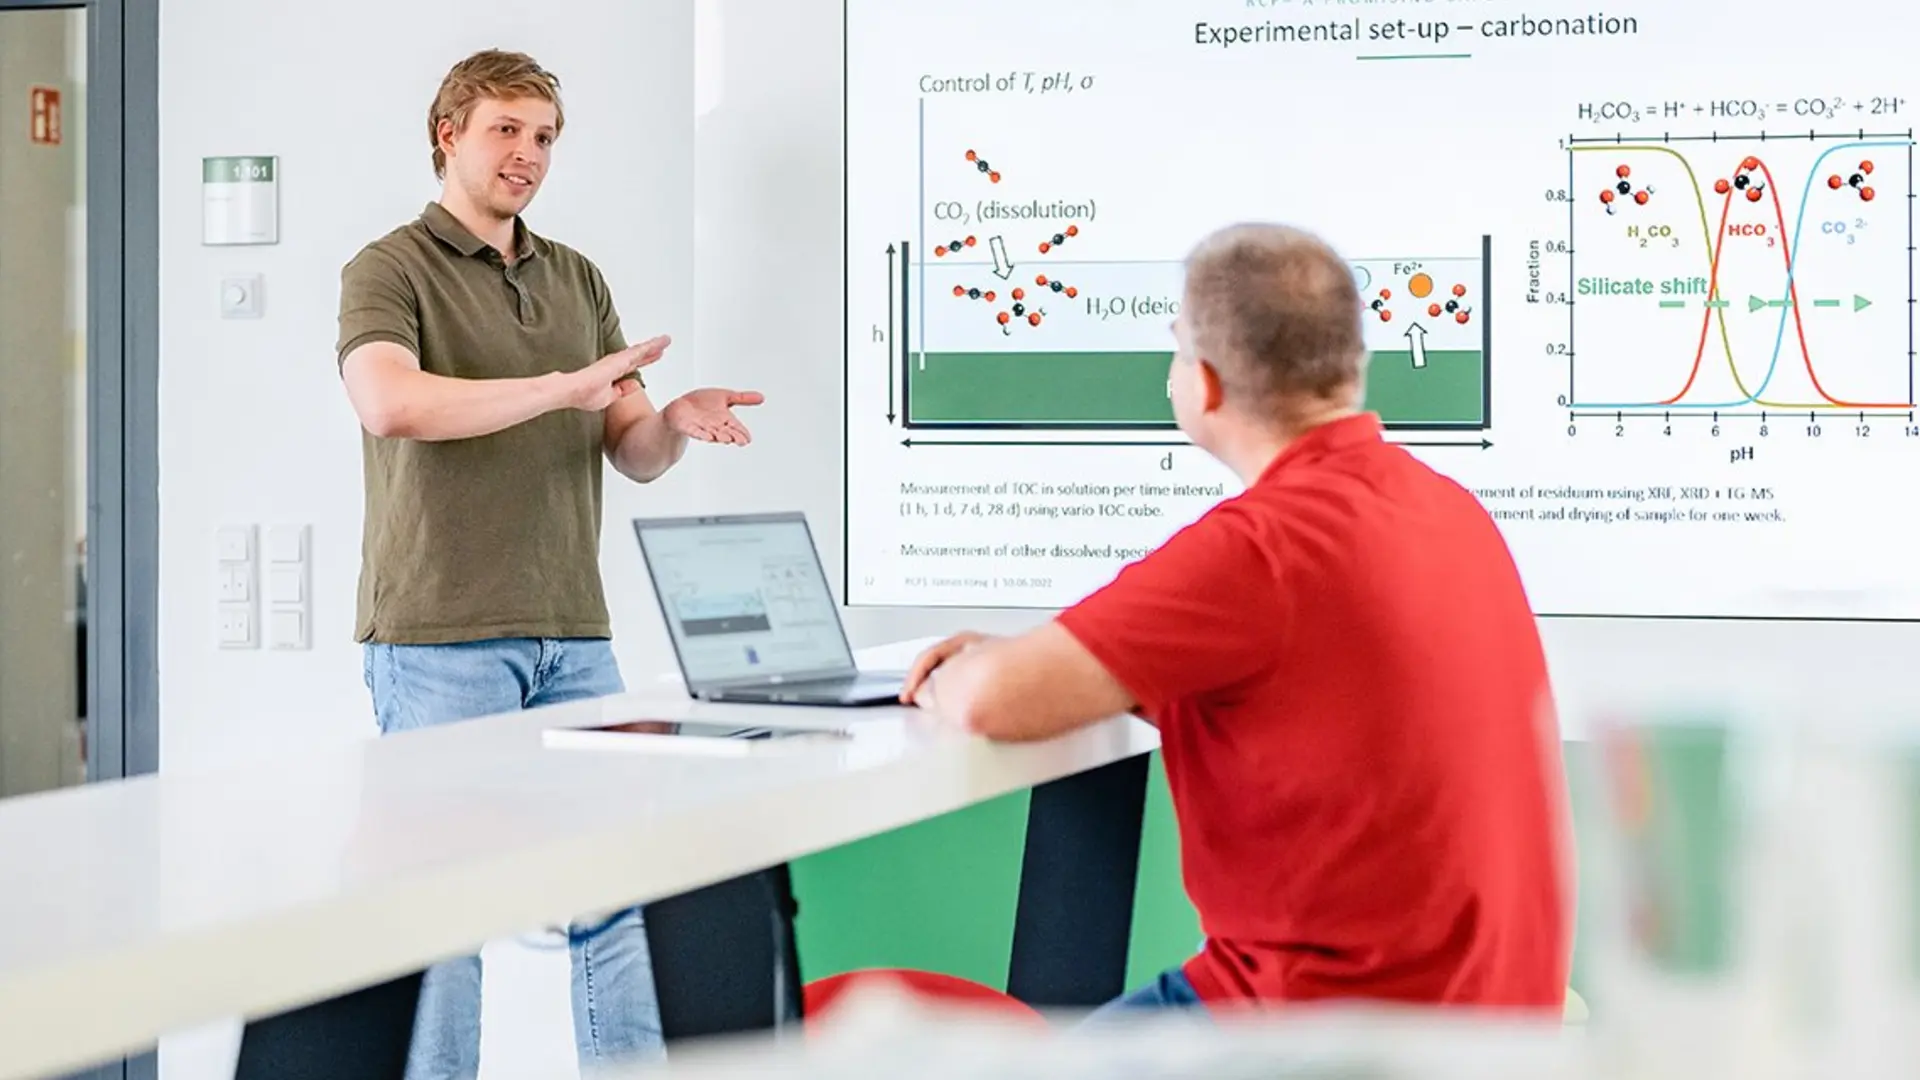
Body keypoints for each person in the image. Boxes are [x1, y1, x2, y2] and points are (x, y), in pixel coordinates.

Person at [900, 223, 1572, 1017]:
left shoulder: (1262, 546)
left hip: (1328, 1029)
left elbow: (989, 702)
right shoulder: (1445, 507)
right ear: (1354, 366)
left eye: (1177, 348)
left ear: (1205, 383)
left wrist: (953, 671)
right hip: (1496, 1015)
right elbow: (1329, 697)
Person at [334, 48, 762, 1078]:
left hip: (574, 632)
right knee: (443, 917)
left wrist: (674, 421)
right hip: (439, 636)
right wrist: (561, 386)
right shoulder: (389, 267)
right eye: (506, 132)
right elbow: (390, 403)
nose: (528, 156)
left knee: (617, 893)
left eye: (544, 138)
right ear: (450, 133)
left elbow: (632, 451)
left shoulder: (576, 277)